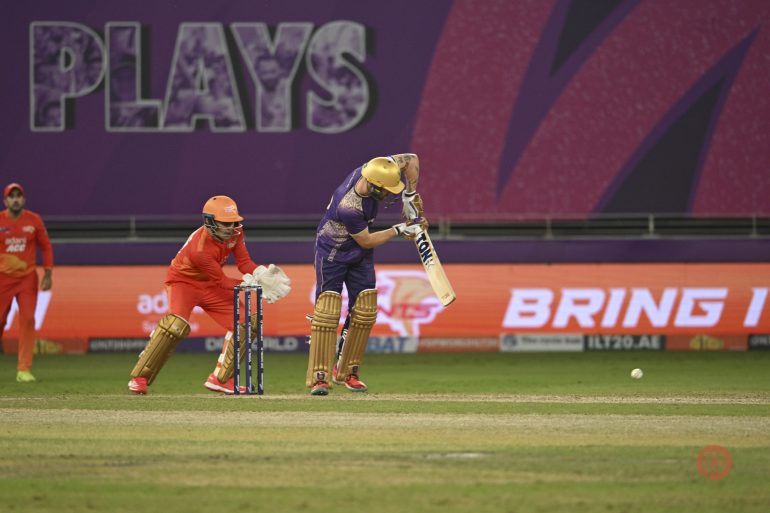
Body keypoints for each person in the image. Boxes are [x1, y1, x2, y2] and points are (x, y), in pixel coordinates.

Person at [127, 195, 290, 395]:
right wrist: (252, 285)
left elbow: (244, 263)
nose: (231, 228)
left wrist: (261, 274)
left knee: (247, 324)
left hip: (210, 285)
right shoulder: (200, 249)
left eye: (234, 222)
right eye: (225, 224)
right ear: (210, 222)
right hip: (184, 283)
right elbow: (221, 281)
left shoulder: (235, 233)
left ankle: (221, 379)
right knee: (174, 326)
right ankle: (140, 377)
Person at [306, 153, 425, 396]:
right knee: (327, 312)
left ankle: (348, 371)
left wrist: (409, 196)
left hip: (358, 256)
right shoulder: (349, 206)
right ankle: (320, 376)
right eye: (388, 190)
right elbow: (368, 241)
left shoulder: (374, 168)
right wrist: (400, 229)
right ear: (373, 185)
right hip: (333, 254)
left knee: (365, 309)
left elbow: (411, 159)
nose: (390, 193)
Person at [0, 183, 53, 383]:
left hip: (27, 278)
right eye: (11, 196)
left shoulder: (34, 220)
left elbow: (46, 247)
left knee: (29, 319)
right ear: (5, 201)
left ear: (23, 200)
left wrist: (48, 272)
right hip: (2, 279)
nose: (15, 199)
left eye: (18, 196)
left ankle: (24, 369)